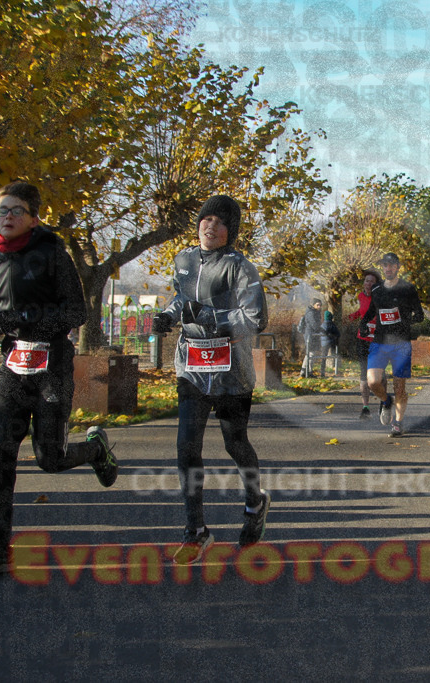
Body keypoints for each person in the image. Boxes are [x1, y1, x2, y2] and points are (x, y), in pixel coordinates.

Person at [0, 182, 117, 578]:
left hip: (51, 368)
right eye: (2, 211)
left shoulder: (53, 254)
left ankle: (95, 449)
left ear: (33, 217)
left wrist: (20, 320)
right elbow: (10, 313)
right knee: (1, 456)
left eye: (17, 210)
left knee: (50, 459)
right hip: (14, 370)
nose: (8, 216)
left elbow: (76, 314)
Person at [151, 195, 270, 564]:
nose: (211, 226)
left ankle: (254, 502)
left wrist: (207, 316)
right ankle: (195, 530)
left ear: (229, 231)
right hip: (192, 366)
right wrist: (169, 316)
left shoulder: (241, 267)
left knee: (236, 444)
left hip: (231, 369)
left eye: (220, 222)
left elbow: (255, 319)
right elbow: (179, 297)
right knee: (186, 445)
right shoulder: (183, 259)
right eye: (206, 219)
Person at [358, 252, 424, 437]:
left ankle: (397, 423)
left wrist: (404, 321)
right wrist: (364, 323)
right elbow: (372, 310)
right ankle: (386, 402)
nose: (388, 268)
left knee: (399, 387)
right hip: (379, 342)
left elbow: (419, 315)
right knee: (373, 381)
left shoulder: (408, 289)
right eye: (385, 265)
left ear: (397, 267)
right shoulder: (377, 289)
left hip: (401, 343)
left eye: (391, 265)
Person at [347, 271, 381, 419]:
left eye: (372, 281)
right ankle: (365, 407)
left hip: (378, 340)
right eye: (366, 281)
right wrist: (352, 317)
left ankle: (383, 401)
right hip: (362, 339)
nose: (368, 284)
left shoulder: (381, 298)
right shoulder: (361, 296)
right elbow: (363, 312)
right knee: (363, 374)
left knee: (378, 376)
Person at [297, 298, 323, 378]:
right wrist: (322, 330)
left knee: (309, 353)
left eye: (320, 305)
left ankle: (304, 371)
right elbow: (314, 325)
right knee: (311, 353)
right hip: (310, 335)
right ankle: (308, 372)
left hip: (313, 335)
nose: (319, 306)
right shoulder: (311, 313)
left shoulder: (316, 312)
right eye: (317, 305)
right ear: (313, 305)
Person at [317, 310, 340, 377]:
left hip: (323, 344)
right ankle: (336, 370)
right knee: (335, 355)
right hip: (331, 342)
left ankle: (322, 372)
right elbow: (338, 333)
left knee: (323, 357)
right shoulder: (332, 324)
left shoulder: (322, 325)